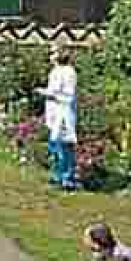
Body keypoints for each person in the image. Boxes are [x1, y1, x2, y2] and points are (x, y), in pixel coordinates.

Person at [37, 47, 79, 189]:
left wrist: (47, 93)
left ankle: (67, 178)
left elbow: (67, 94)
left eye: (53, 53)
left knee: (64, 146)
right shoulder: (56, 71)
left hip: (64, 113)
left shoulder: (68, 72)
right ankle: (57, 175)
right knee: (55, 146)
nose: (50, 56)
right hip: (55, 112)